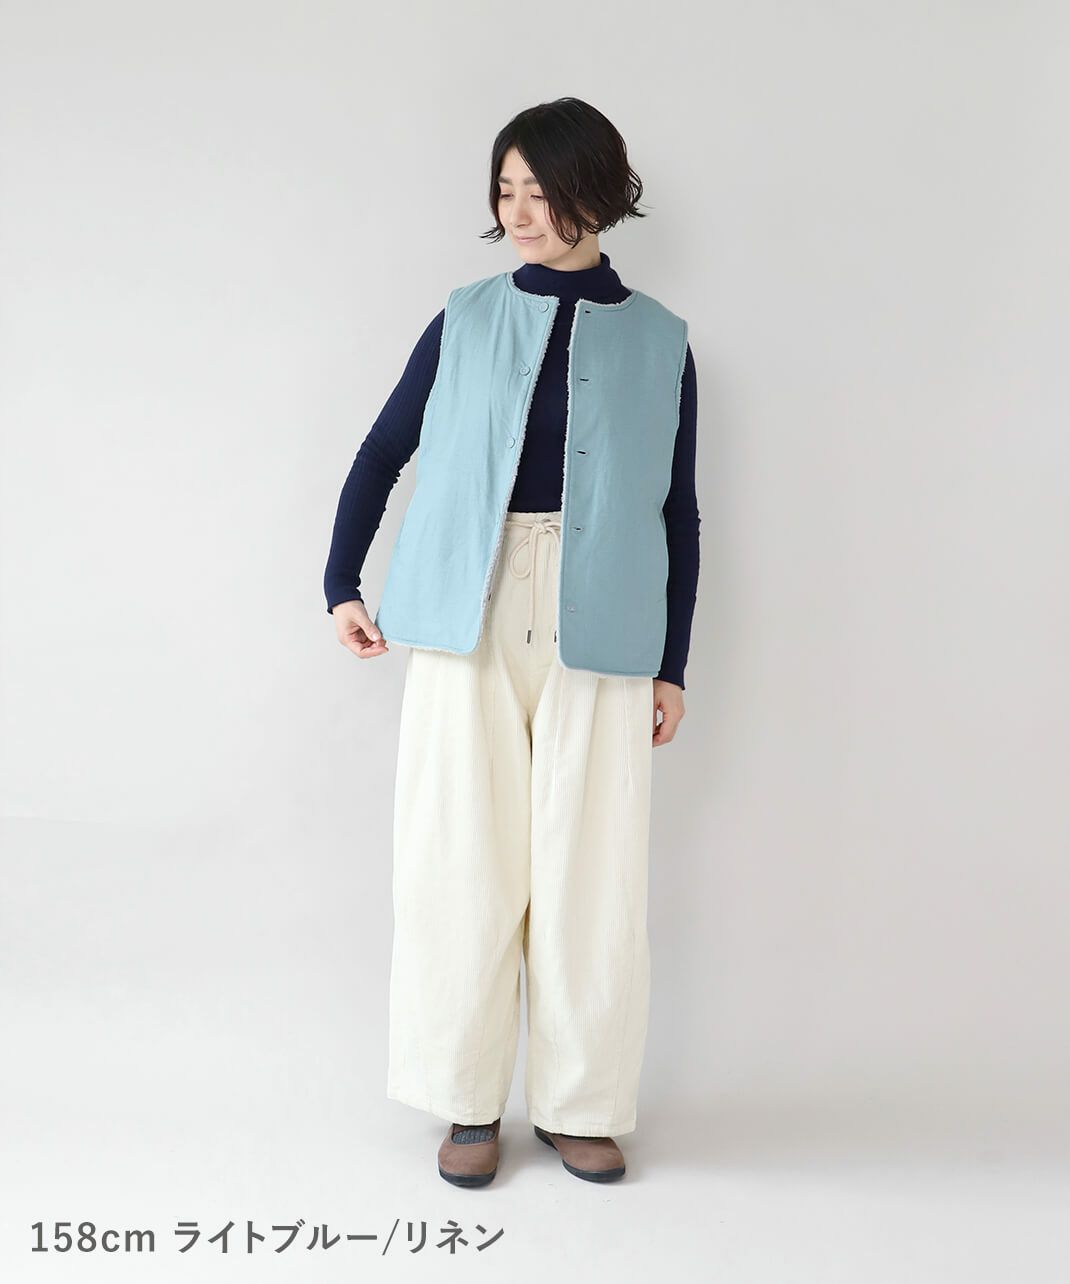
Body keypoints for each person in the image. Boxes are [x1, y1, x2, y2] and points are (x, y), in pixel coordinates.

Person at [324, 97, 700, 1186]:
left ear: (598, 192)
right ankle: (467, 1100)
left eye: (541, 189)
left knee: (593, 871)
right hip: (465, 607)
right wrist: (341, 581)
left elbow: (676, 512)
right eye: (506, 190)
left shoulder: (661, 341)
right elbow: (383, 450)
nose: (519, 212)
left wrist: (672, 664)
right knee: (460, 857)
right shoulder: (465, 316)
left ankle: (581, 1104)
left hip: (605, 620)